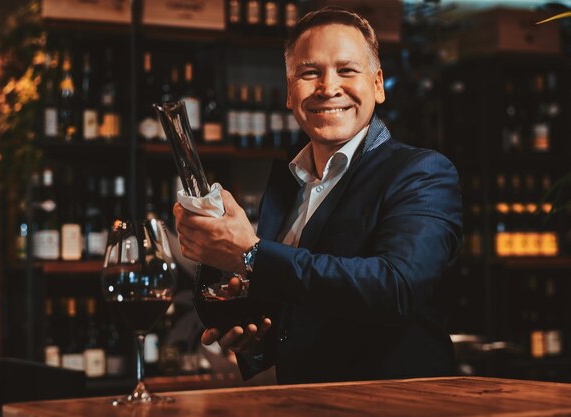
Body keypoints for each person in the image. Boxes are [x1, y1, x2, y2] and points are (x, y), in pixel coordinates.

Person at [173, 6, 462, 384]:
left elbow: (396, 289)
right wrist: (257, 339)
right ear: (289, 93)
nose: (328, 87)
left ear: (377, 84)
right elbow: (306, 310)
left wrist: (251, 253)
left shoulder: (422, 172)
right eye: (309, 73)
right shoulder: (288, 185)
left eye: (347, 70)